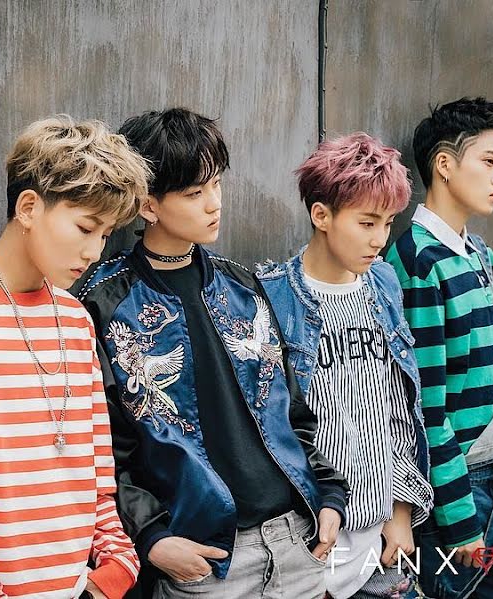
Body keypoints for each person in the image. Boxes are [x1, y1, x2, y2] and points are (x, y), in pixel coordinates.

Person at [78, 108, 348, 599]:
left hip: (297, 543)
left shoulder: (241, 286)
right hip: (206, 562)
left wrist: (328, 494)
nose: (214, 204)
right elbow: (103, 447)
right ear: (148, 206)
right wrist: (152, 538)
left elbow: (291, 410)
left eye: (217, 184)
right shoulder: (105, 303)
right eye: (194, 193)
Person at [0, 115, 151, 599]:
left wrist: (116, 569)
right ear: (28, 208)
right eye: (85, 227)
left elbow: (97, 472)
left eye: (105, 234)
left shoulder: (75, 319)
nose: (94, 251)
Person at [257, 132, 434, 599]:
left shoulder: (383, 284)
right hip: (308, 539)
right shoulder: (272, 296)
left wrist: (401, 510)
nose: (380, 239)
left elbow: (398, 409)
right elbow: (271, 427)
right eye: (367, 222)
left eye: (388, 223)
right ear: (321, 215)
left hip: (379, 545)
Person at [386, 97, 493, 598]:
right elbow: (423, 405)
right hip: (460, 490)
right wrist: (460, 516)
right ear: (444, 164)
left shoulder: (479, 254)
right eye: (488, 161)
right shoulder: (417, 261)